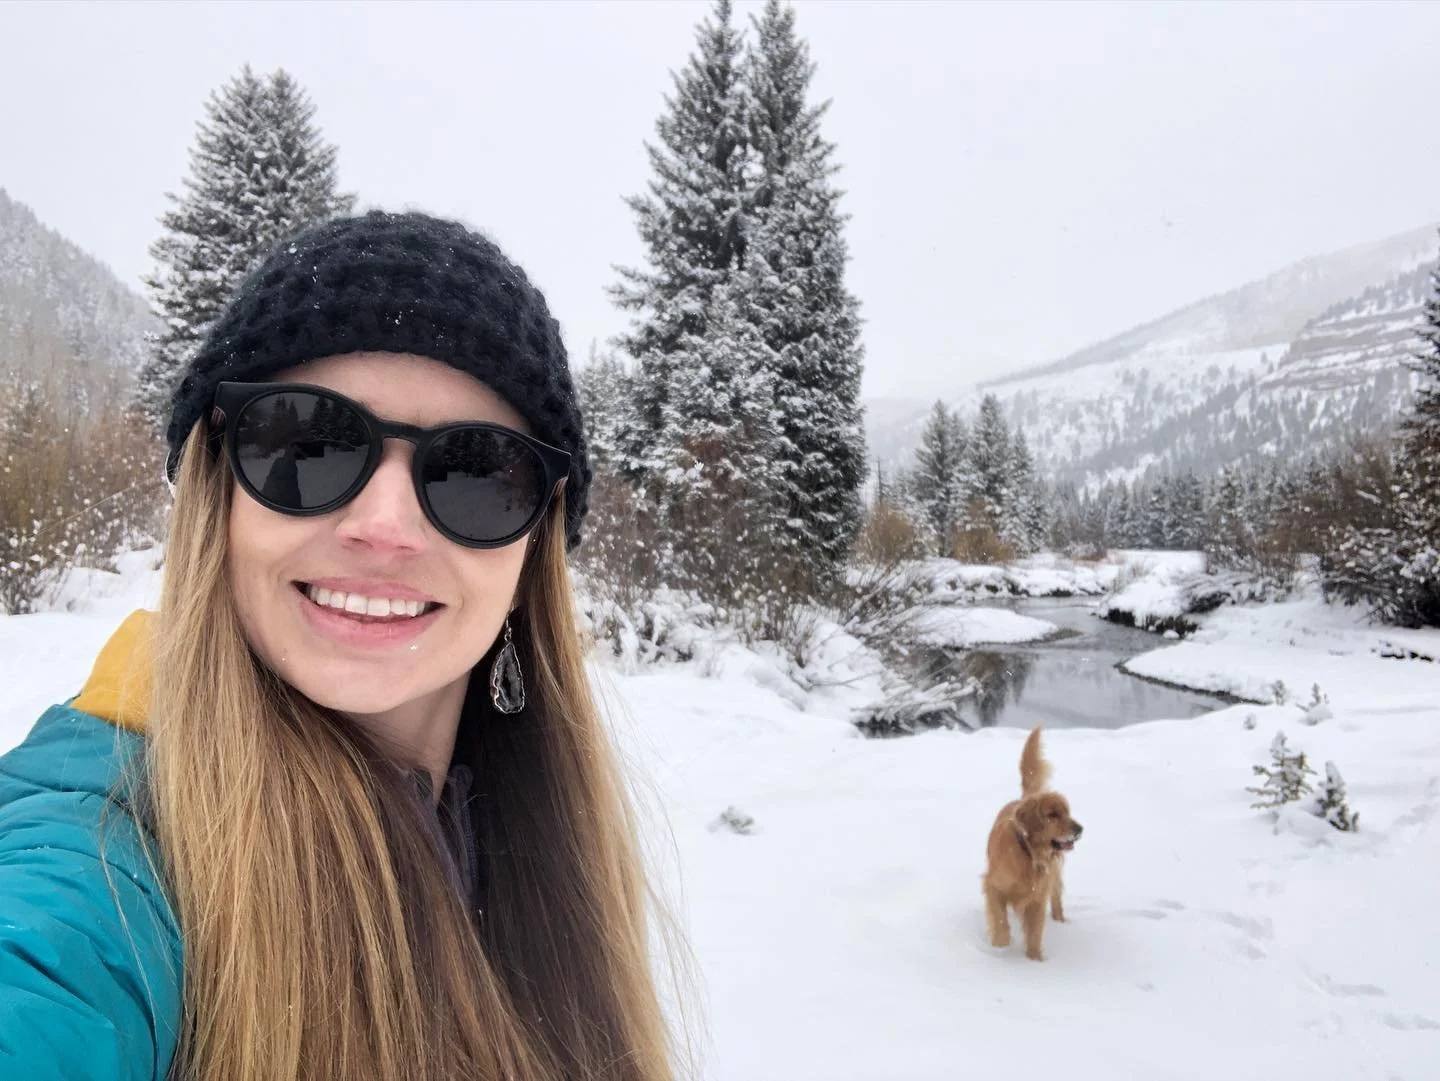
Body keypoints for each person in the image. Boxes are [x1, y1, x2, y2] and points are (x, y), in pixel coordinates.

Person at [0, 211, 677, 1081]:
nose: (384, 526)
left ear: (532, 550)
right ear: (218, 495)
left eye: (474, 472)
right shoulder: (102, 871)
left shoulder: (544, 861)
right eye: (308, 442)